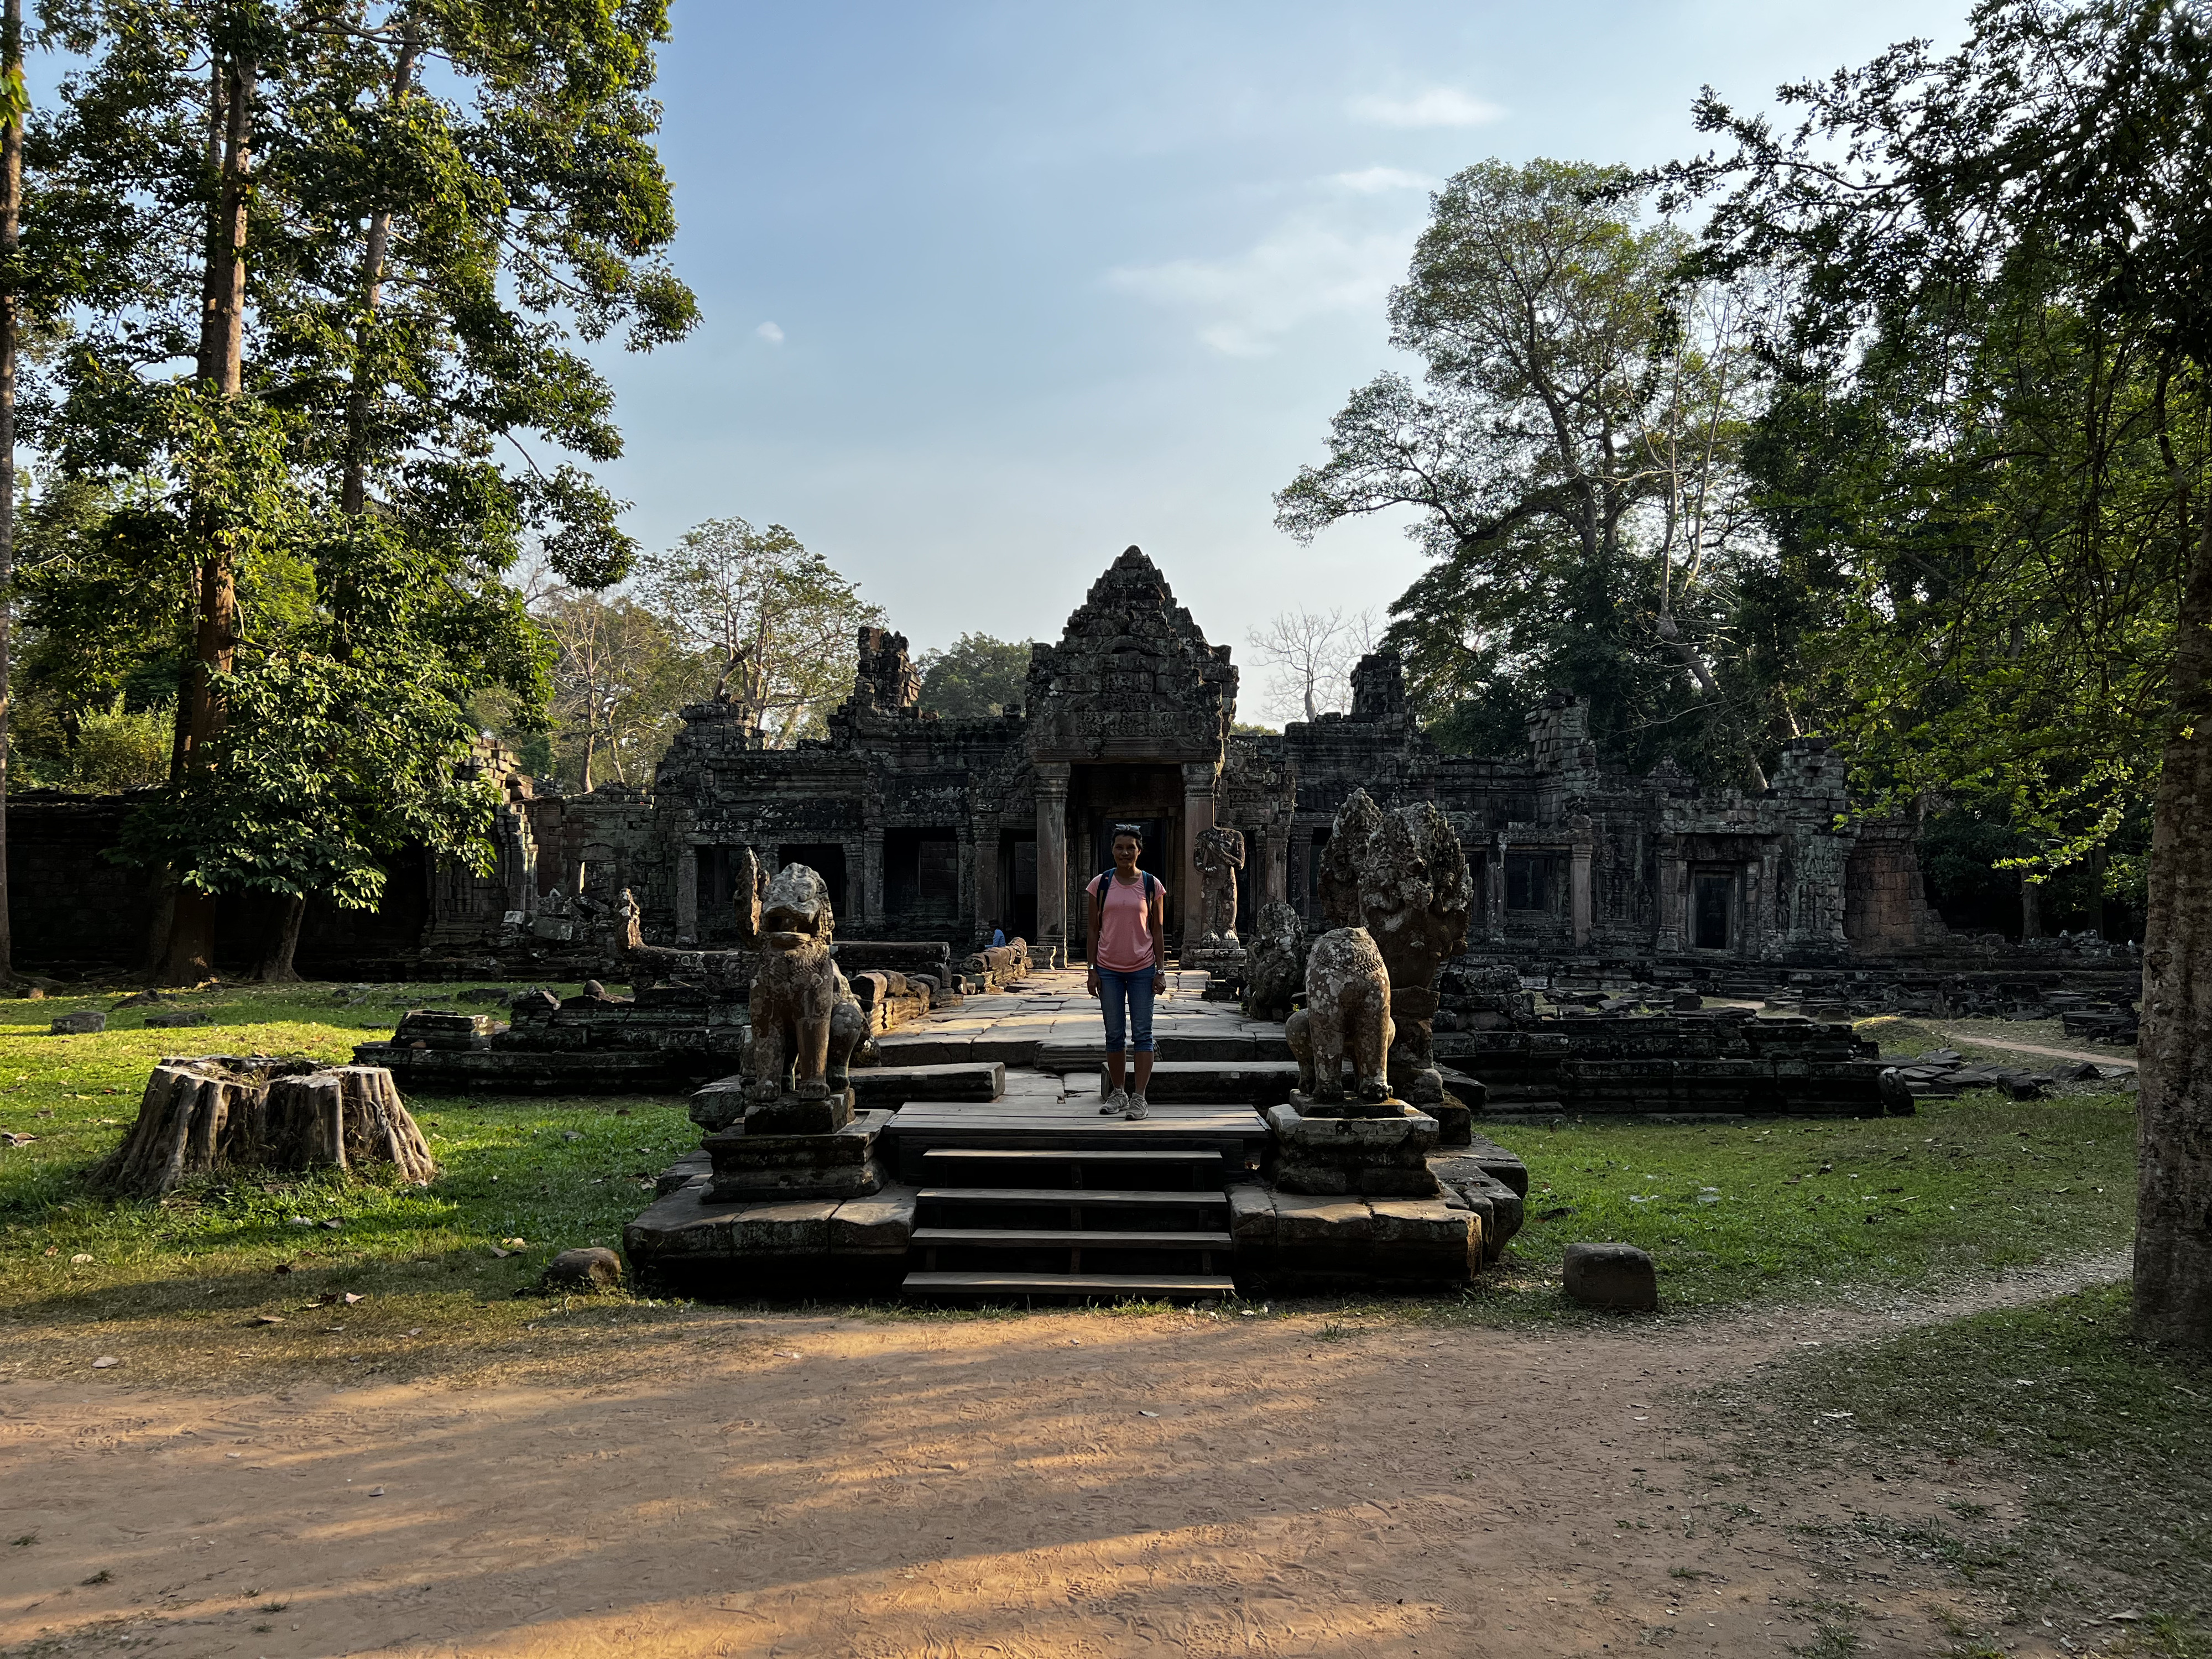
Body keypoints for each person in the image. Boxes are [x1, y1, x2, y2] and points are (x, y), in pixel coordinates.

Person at [1086, 822, 1168, 1120]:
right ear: (1112, 850)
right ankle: (1118, 1092)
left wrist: (1161, 969)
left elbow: (1157, 930)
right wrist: (1092, 970)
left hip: (1143, 968)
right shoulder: (1100, 884)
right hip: (1108, 969)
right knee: (1114, 1034)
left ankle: (1140, 1098)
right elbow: (1093, 930)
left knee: (1143, 1034)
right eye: (1119, 847)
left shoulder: (1151, 885)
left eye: (1130, 848)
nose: (1125, 852)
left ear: (1139, 851)